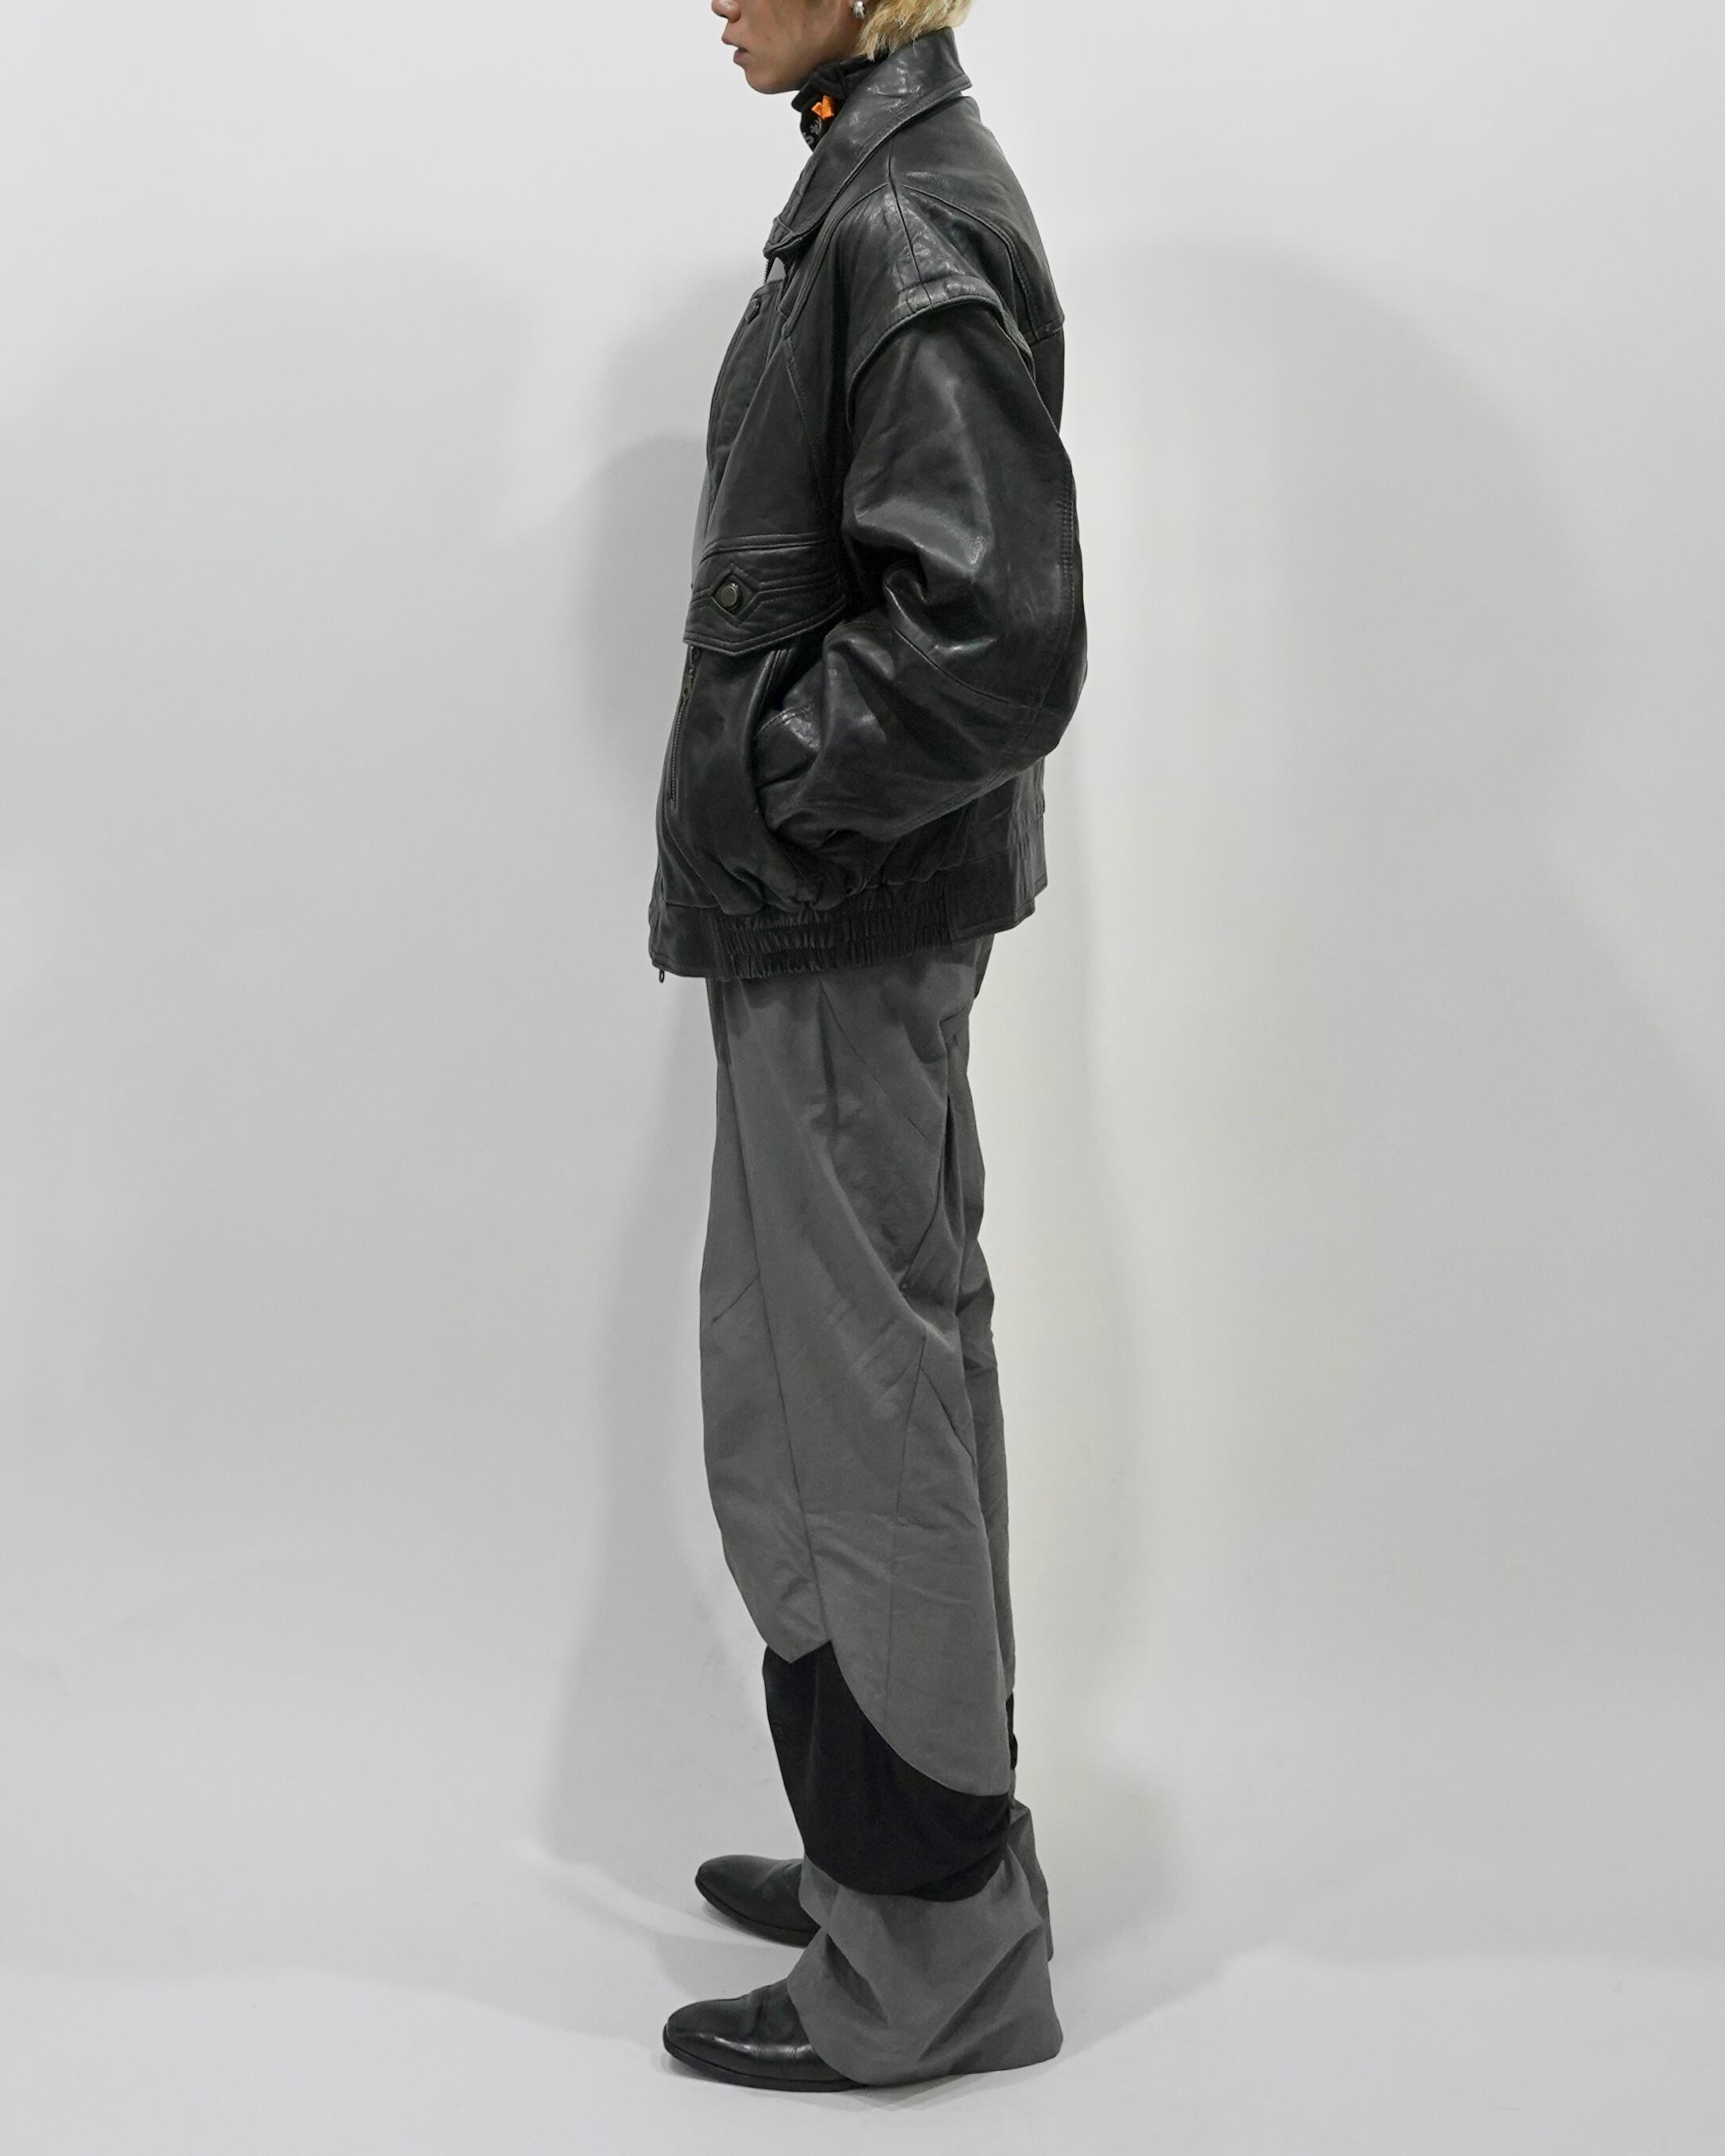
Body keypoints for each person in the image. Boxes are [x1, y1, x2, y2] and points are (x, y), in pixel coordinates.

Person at [651, 0, 1086, 2091]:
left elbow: (994, 639)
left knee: (843, 1415)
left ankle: (924, 1958)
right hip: (849, 915)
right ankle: (915, 1866)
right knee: (862, 1379)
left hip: (837, 915)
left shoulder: (897, 218)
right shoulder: (877, 186)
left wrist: (762, 787)